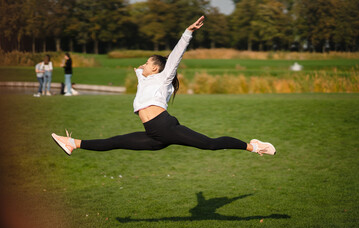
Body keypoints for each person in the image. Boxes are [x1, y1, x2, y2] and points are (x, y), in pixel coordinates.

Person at [52, 16, 276, 156]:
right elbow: (139, 72)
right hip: (154, 135)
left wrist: (187, 34)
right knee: (116, 142)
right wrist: (142, 69)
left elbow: (175, 56)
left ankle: (255, 146)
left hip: (166, 126)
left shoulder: (163, 77)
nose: (145, 64)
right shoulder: (147, 78)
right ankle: (72, 143)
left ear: (158, 68)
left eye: (149, 62)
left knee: (210, 144)